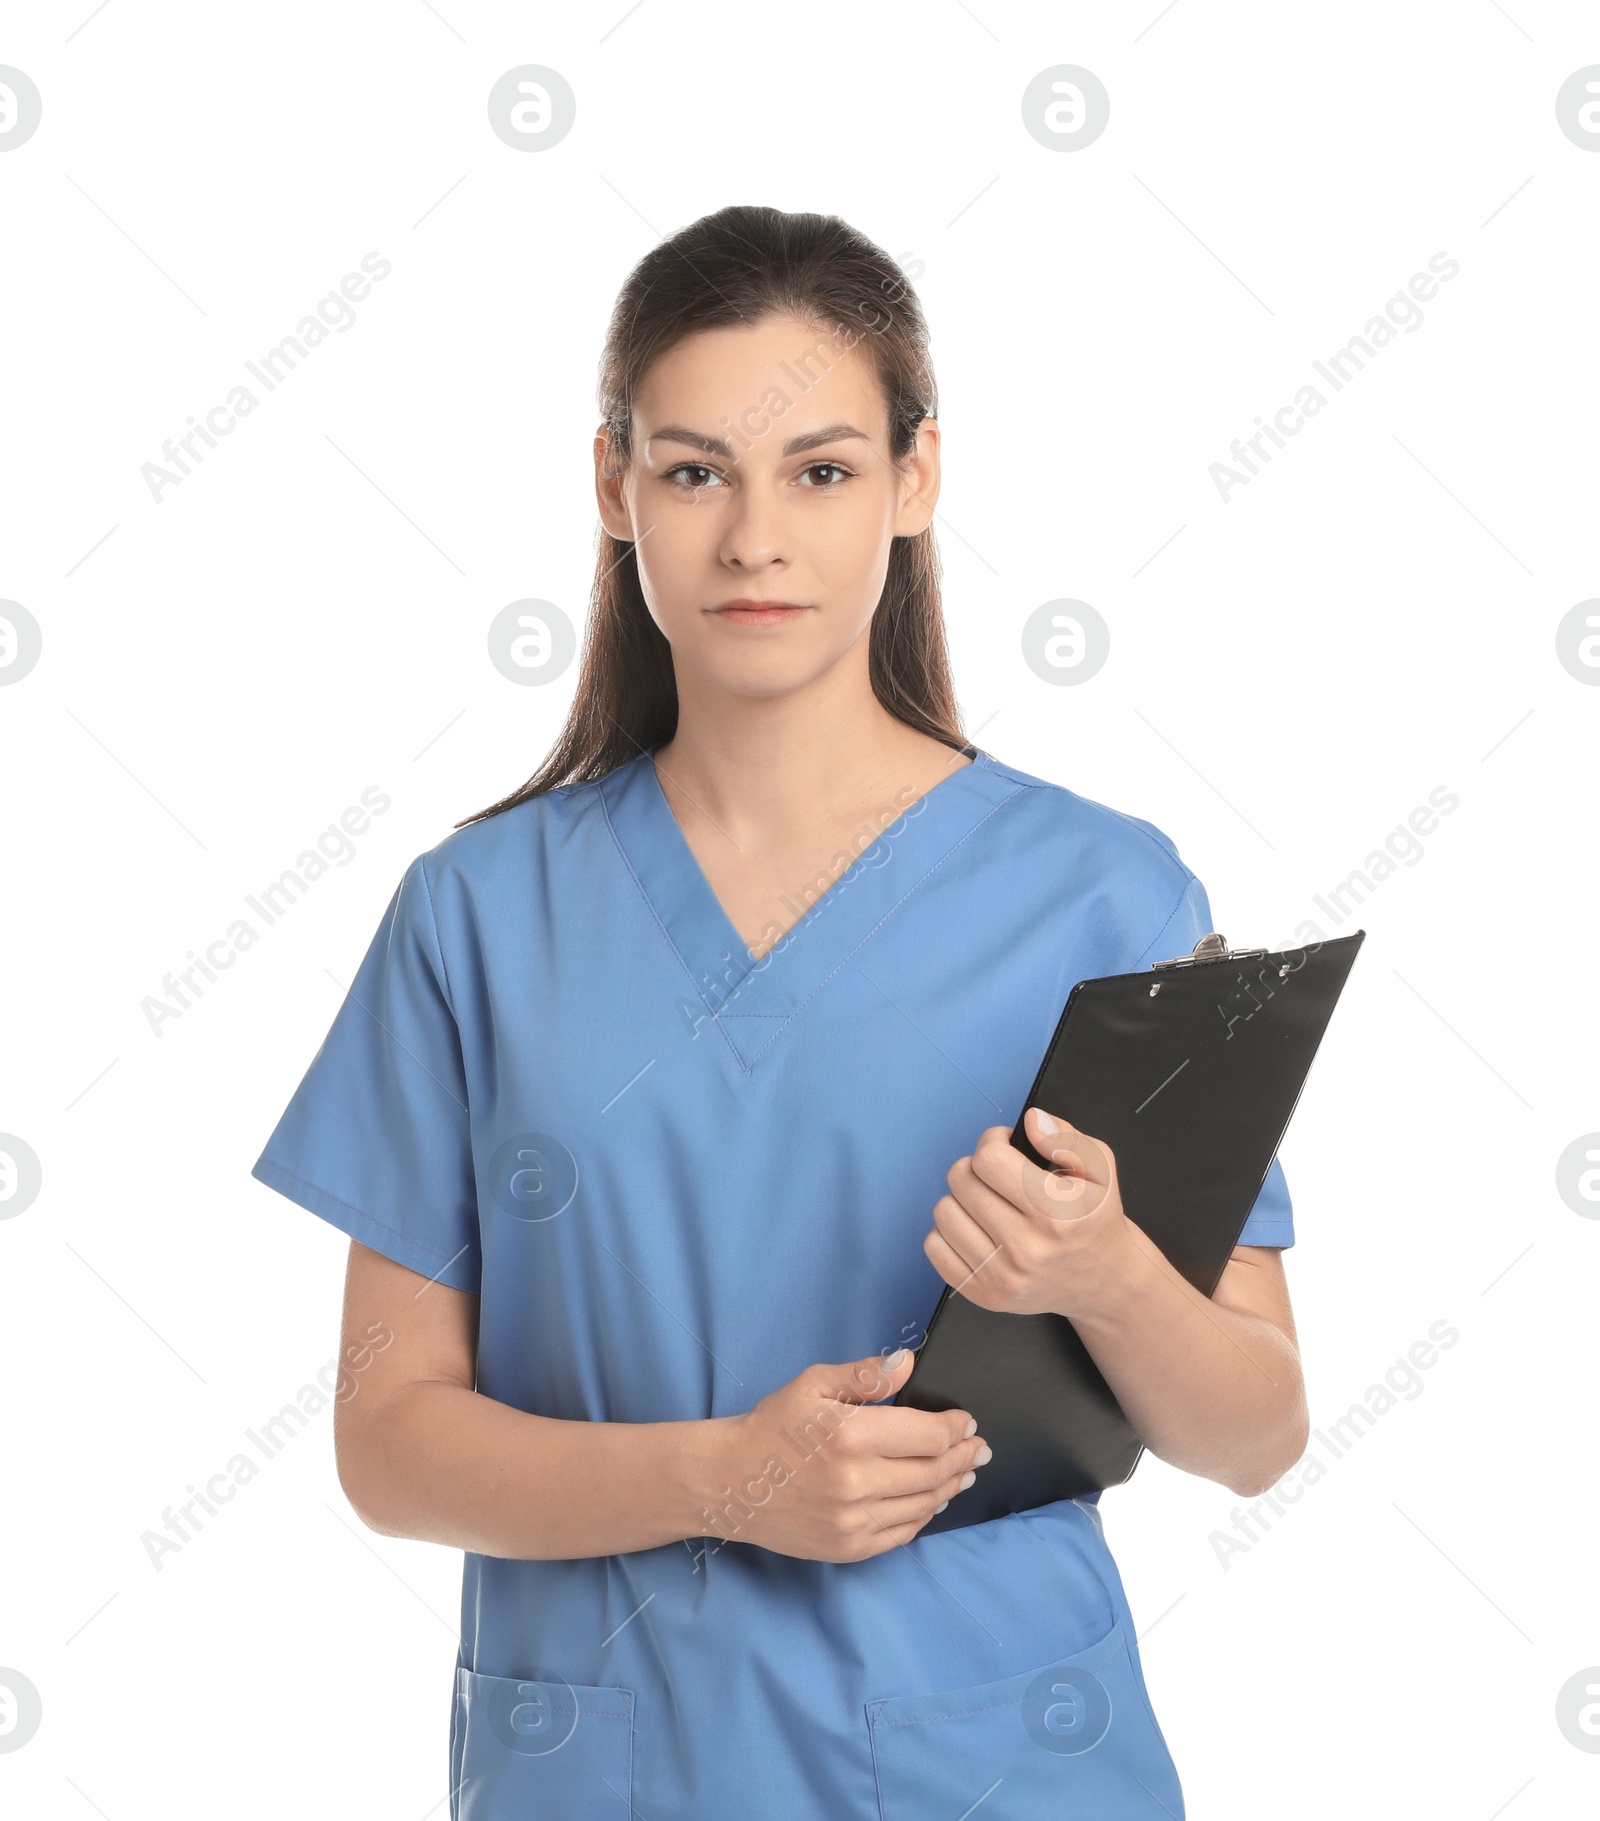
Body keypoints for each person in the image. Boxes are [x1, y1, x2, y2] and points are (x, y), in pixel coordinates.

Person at [251, 204, 1307, 1820]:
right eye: (693, 471)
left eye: (820, 470)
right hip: (609, 1772)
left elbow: (1256, 1431)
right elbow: (386, 1441)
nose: (756, 538)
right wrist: (724, 1479)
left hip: (1002, 1765)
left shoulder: (1102, 895)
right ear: (616, 490)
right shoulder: (472, 917)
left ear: (915, 480)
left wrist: (1104, 1274)